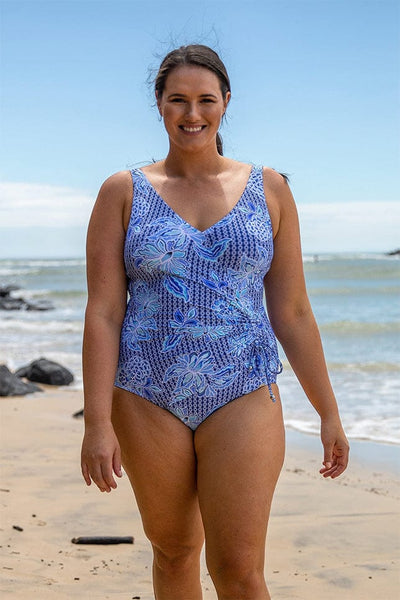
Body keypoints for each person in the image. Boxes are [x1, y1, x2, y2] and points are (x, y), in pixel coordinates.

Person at [81, 44, 349, 600]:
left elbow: (293, 311)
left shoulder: (269, 189)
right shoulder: (122, 192)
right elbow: (104, 312)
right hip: (147, 393)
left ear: (226, 103)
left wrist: (329, 413)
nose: (192, 113)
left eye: (206, 99)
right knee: (175, 553)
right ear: (159, 105)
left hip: (245, 390)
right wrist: (97, 424)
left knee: (240, 570)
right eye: (178, 99)